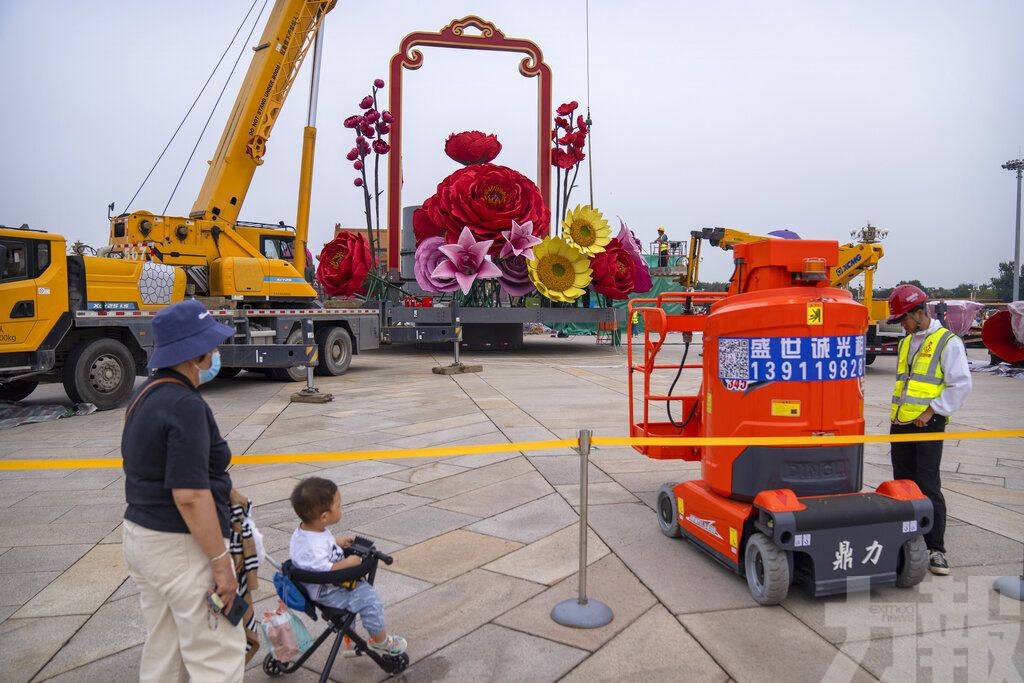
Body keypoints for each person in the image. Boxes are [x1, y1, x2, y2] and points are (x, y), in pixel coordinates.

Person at [121, 299, 245, 682]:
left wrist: (229, 492)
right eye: (211, 346)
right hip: (181, 546)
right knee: (217, 655)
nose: (215, 353)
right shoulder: (185, 405)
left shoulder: (146, 395)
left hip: (142, 537)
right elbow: (189, 495)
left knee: (166, 650)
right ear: (195, 354)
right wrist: (222, 563)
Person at [886, 284, 972, 576]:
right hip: (901, 423)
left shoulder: (947, 342)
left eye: (904, 320)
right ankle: (908, 540)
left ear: (920, 312)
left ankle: (936, 549)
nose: (902, 326)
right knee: (902, 483)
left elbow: (961, 384)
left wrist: (931, 410)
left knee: (927, 484)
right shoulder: (905, 343)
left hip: (928, 423)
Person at [289, 477, 408, 655]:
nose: (341, 507)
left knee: (361, 597)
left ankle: (348, 632)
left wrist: (337, 541)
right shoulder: (313, 547)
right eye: (339, 505)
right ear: (324, 517)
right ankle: (380, 641)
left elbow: (321, 547)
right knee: (370, 601)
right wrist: (348, 563)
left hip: (316, 587)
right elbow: (324, 570)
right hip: (329, 591)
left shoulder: (305, 531)